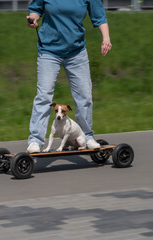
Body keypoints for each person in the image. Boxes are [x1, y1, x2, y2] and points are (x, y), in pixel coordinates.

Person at [26, 0, 112, 153]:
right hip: (49, 50)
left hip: (76, 52)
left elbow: (99, 17)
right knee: (44, 96)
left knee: (84, 96)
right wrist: (33, 19)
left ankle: (87, 136)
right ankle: (35, 141)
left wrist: (106, 39)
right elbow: (35, 10)